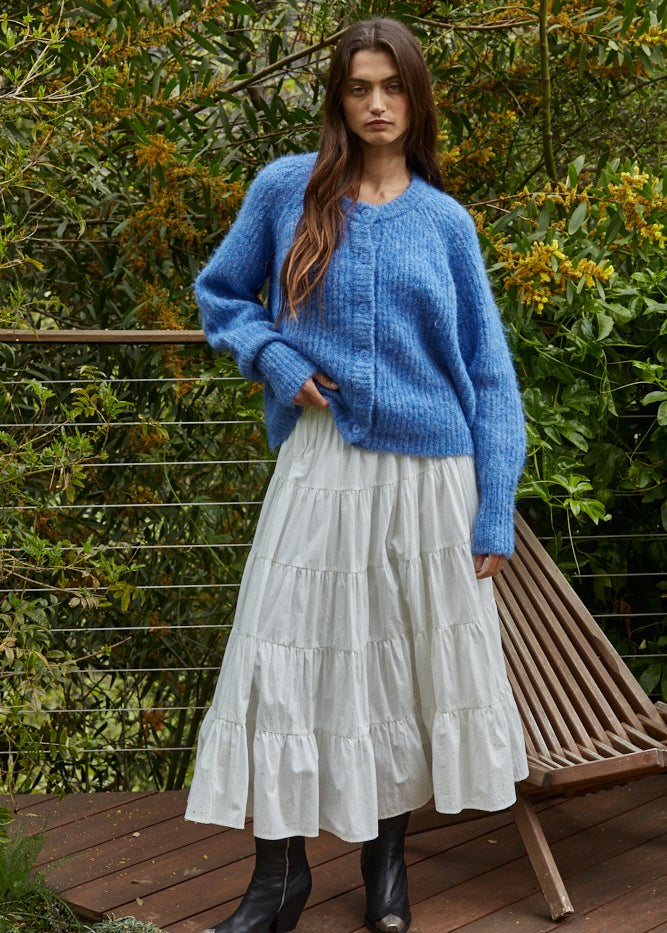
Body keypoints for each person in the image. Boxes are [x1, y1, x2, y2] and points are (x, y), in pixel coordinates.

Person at [185, 16, 528, 933]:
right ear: (337, 97)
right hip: (322, 457)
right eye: (358, 87)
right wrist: (273, 358)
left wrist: (494, 506)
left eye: (392, 87)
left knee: (399, 669)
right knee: (279, 655)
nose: (377, 104)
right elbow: (221, 296)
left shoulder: (445, 222)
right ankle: (278, 879)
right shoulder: (285, 190)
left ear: (416, 99)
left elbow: (489, 374)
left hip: (429, 477)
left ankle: (386, 864)